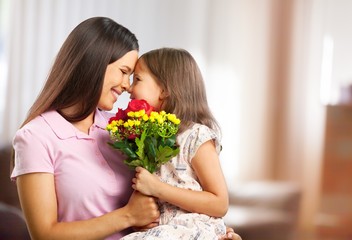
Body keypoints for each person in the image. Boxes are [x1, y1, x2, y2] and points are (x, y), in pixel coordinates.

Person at [10, 17, 242, 240]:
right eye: (123, 72)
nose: (126, 86)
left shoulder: (125, 128)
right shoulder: (35, 137)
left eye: (132, 77)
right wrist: (127, 216)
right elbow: (44, 235)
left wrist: (209, 232)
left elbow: (175, 192)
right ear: (95, 64)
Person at [121, 47, 231, 240]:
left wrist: (158, 189)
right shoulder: (146, 138)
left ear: (164, 90)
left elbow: (220, 203)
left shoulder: (196, 136)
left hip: (190, 231)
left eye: (137, 79)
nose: (129, 88)